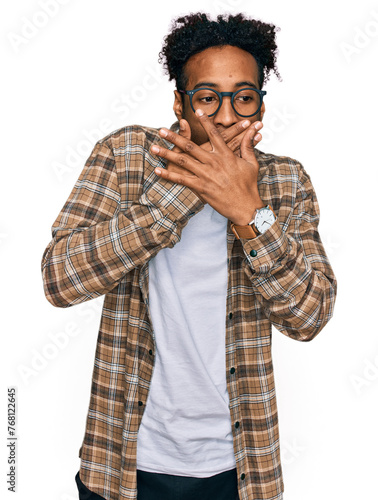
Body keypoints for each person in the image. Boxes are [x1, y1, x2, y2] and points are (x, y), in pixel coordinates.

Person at [41, 12, 337, 500]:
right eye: (207, 99)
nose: (225, 117)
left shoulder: (286, 182)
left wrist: (249, 210)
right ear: (180, 102)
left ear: (261, 105)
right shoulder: (125, 155)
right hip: (123, 465)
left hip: (242, 469)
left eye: (243, 97)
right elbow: (58, 279)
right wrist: (186, 194)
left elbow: (309, 317)